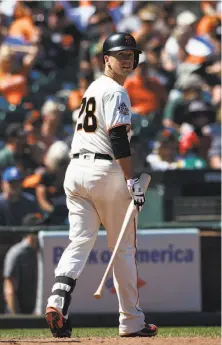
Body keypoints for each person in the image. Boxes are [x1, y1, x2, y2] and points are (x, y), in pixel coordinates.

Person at [45, 32, 158, 338]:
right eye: (120, 54)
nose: (127, 59)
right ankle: (131, 321)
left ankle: (58, 298)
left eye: (130, 55)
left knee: (80, 240)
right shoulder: (117, 92)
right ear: (106, 59)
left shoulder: (94, 87)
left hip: (76, 171)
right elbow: (119, 138)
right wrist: (131, 179)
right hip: (104, 170)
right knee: (122, 249)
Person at [3, 233, 39, 314]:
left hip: (37, 312)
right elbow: (10, 290)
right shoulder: (17, 253)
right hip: (18, 312)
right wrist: (17, 318)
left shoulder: (42, 251)